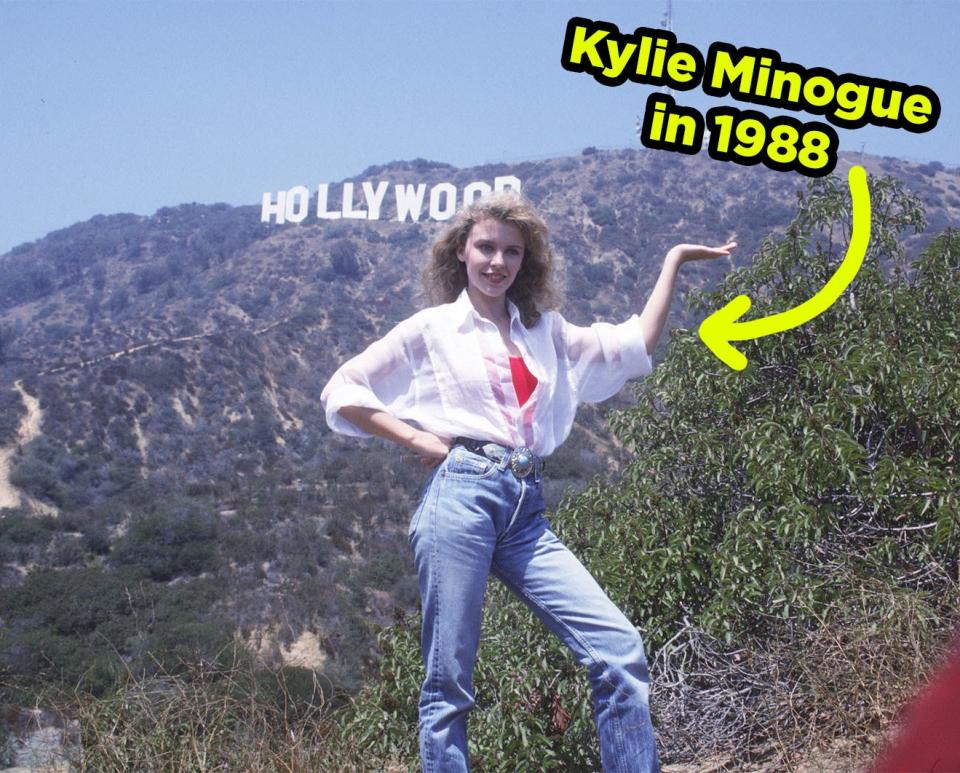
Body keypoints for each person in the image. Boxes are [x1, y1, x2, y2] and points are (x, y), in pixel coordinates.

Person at [321, 191, 735, 772]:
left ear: (526, 261)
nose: (497, 262)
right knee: (449, 686)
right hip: (460, 497)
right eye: (485, 247)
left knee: (619, 651)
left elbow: (633, 345)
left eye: (511, 252)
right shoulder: (432, 328)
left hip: (524, 508)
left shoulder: (546, 332)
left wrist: (673, 260)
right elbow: (343, 390)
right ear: (460, 253)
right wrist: (418, 439)